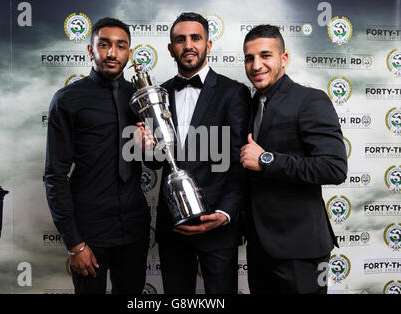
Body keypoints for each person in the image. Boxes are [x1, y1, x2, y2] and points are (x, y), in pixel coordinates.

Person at [140, 12, 250, 294]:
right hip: (173, 226)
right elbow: (155, 162)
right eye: (180, 39)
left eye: (195, 38)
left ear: (208, 45)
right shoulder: (157, 94)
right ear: (170, 48)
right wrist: (146, 150)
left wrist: (225, 213)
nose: (188, 45)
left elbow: (240, 162)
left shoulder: (233, 92)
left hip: (218, 226)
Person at [44, 17, 150, 294]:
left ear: (129, 52)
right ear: (91, 50)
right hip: (89, 230)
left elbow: (156, 162)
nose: (112, 53)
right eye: (104, 45)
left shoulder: (141, 98)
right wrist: (74, 242)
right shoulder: (67, 99)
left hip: (134, 227)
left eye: (120, 46)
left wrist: (150, 147)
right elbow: (55, 176)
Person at [240, 24, 347, 294]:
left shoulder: (310, 100)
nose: (256, 65)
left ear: (283, 59)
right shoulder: (250, 105)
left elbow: (334, 168)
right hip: (260, 247)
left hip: (301, 250)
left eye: (266, 55)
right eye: (249, 58)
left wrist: (266, 160)